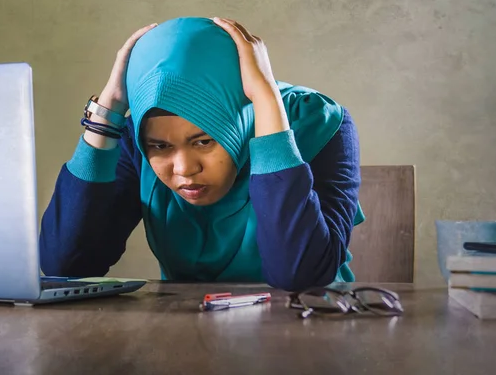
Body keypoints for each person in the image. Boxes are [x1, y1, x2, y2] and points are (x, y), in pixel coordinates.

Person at [39, 17, 364, 291]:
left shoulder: (318, 123)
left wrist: (265, 103)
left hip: (313, 327)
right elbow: (67, 267)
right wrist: (105, 115)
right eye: (161, 147)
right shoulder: (136, 135)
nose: (184, 169)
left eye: (205, 141)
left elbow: (300, 275)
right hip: (189, 333)